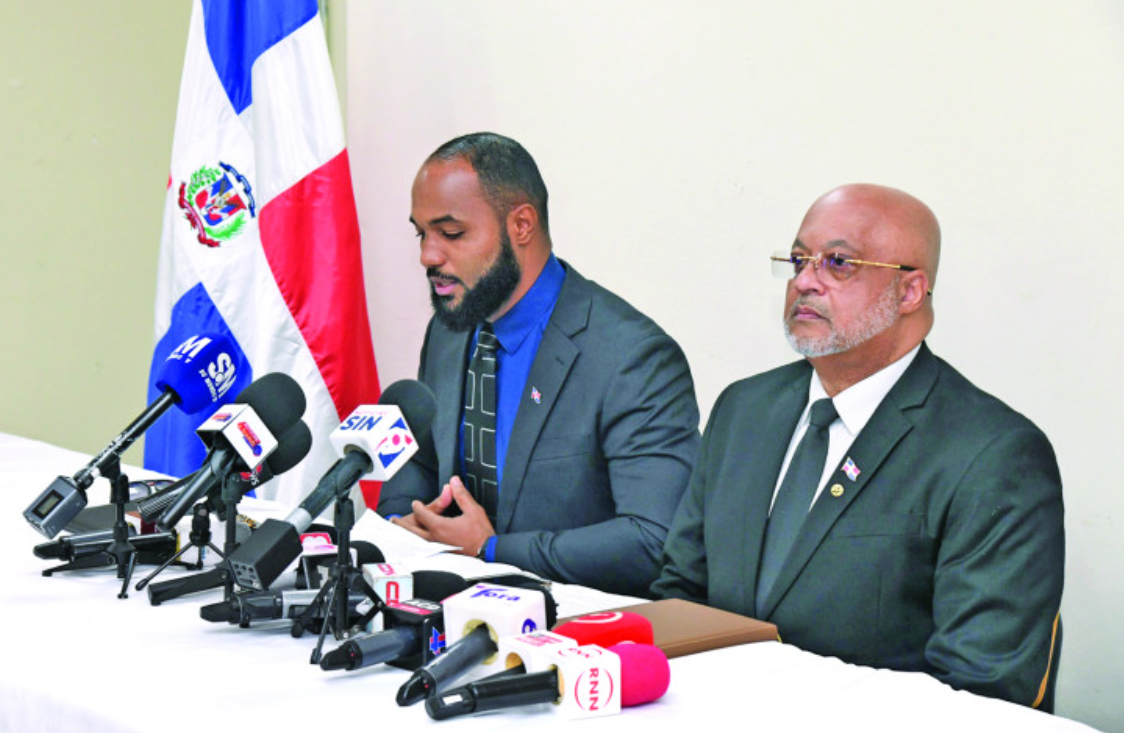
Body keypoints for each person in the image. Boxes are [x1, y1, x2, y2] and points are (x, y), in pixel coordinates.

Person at [652, 183, 1065, 709]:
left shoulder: (994, 455)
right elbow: (681, 592)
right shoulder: (744, 410)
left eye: (838, 263)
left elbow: (981, 690)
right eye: (799, 260)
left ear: (909, 292)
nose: (805, 281)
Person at [378, 132, 700, 598]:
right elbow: (422, 458)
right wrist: (400, 524)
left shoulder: (631, 356)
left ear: (521, 225)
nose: (428, 255)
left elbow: (653, 537)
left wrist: (490, 549)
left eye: (451, 233)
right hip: (452, 611)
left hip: (580, 622)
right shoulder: (449, 331)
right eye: (421, 233)